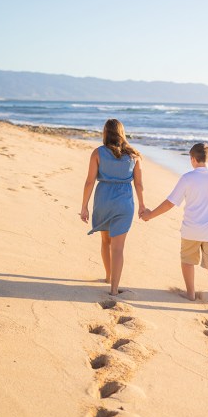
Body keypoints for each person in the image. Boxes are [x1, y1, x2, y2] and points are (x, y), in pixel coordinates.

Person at [140, 143, 208, 315]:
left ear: (192, 159)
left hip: (192, 229)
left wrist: (150, 215)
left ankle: (190, 293)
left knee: (187, 260)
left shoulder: (188, 178)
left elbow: (170, 203)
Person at [80, 119, 146, 297]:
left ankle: (108, 276)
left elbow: (89, 181)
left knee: (105, 241)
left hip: (103, 201)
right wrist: (142, 205)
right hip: (124, 203)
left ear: (105, 133)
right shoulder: (134, 155)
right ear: (122, 133)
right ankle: (114, 288)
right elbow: (139, 185)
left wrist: (84, 206)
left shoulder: (98, 153)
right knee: (118, 248)